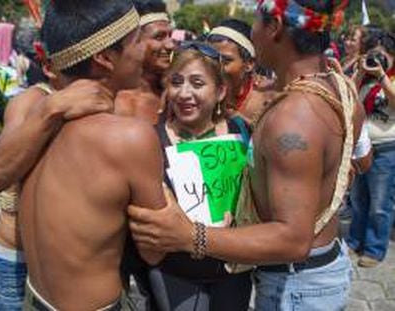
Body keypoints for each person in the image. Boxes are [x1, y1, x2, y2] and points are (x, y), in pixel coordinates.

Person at [128, 1, 364, 310]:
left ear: (274, 27)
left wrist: (190, 235)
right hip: (322, 269)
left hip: (295, 287)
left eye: (255, 22)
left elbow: (293, 239)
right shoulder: (338, 85)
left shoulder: (293, 118)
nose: (252, 33)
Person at [18, 0, 166, 309]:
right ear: (104, 58)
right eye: (137, 40)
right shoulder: (129, 137)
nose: (145, 50)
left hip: (37, 298)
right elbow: (155, 250)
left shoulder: (35, 115)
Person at [150, 41, 252, 310]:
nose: (184, 93)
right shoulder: (150, 140)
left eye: (197, 83)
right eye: (176, 82)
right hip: (176, 274)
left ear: (220, 91)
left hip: (233, 269)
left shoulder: (240, 131)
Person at [347, 31, 395, 267]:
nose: (377, 60)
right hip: (361, 148)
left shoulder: (392, 79)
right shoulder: (365, 79)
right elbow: (348, 96)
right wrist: (361, 71)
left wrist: (382, 76)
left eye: (382, 55)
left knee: (380, 204)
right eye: (373, 55)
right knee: (358, 199)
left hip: (386, 149)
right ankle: (354, 241)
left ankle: (374, 249)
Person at [115, 0, 175, 124]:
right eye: (159, 37)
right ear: (136, 42)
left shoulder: (179, 94)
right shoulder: (115, 102)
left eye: (170, 35)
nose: (170, 45)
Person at [207, 19, 271, 121]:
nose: (216, 67)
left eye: (226, 61)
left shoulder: (268, 100)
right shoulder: (198, 96)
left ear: (249, 64)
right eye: (210, 59)